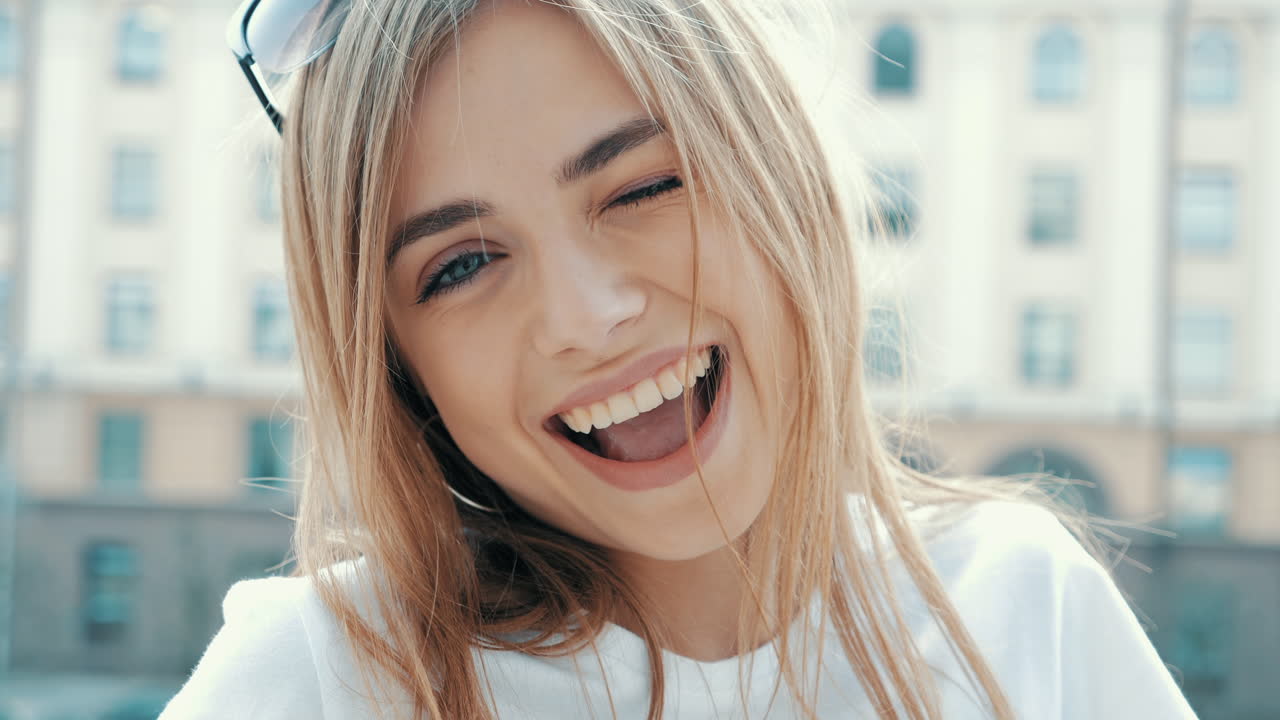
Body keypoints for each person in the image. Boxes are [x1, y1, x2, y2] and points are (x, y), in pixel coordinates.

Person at [162, 1, 1200, 718]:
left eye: (641, 189)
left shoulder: (1020, 610)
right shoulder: (326, 681)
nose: (587, 314)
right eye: (463, 263)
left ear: (774, 174)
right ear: (397, 368)